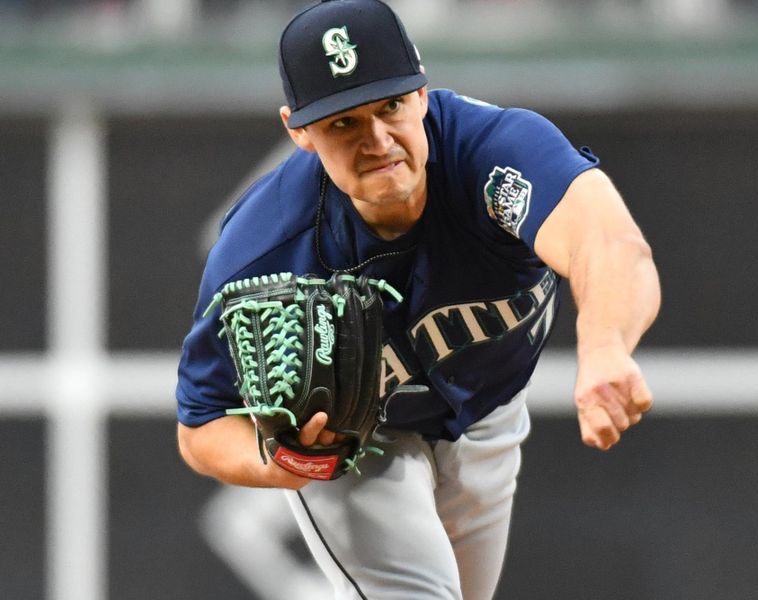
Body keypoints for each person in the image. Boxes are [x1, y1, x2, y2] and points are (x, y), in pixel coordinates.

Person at [175, 0, 661, 598]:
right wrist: (286, 461)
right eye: (343, 123)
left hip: (488, 412)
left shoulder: (493, 153)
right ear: (297, 130)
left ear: (423, 94)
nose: (378, 139)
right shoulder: (264, 246)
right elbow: (199, 426)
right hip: (356, 446)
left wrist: (608, 345)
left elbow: (609, 244)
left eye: (390, 106)